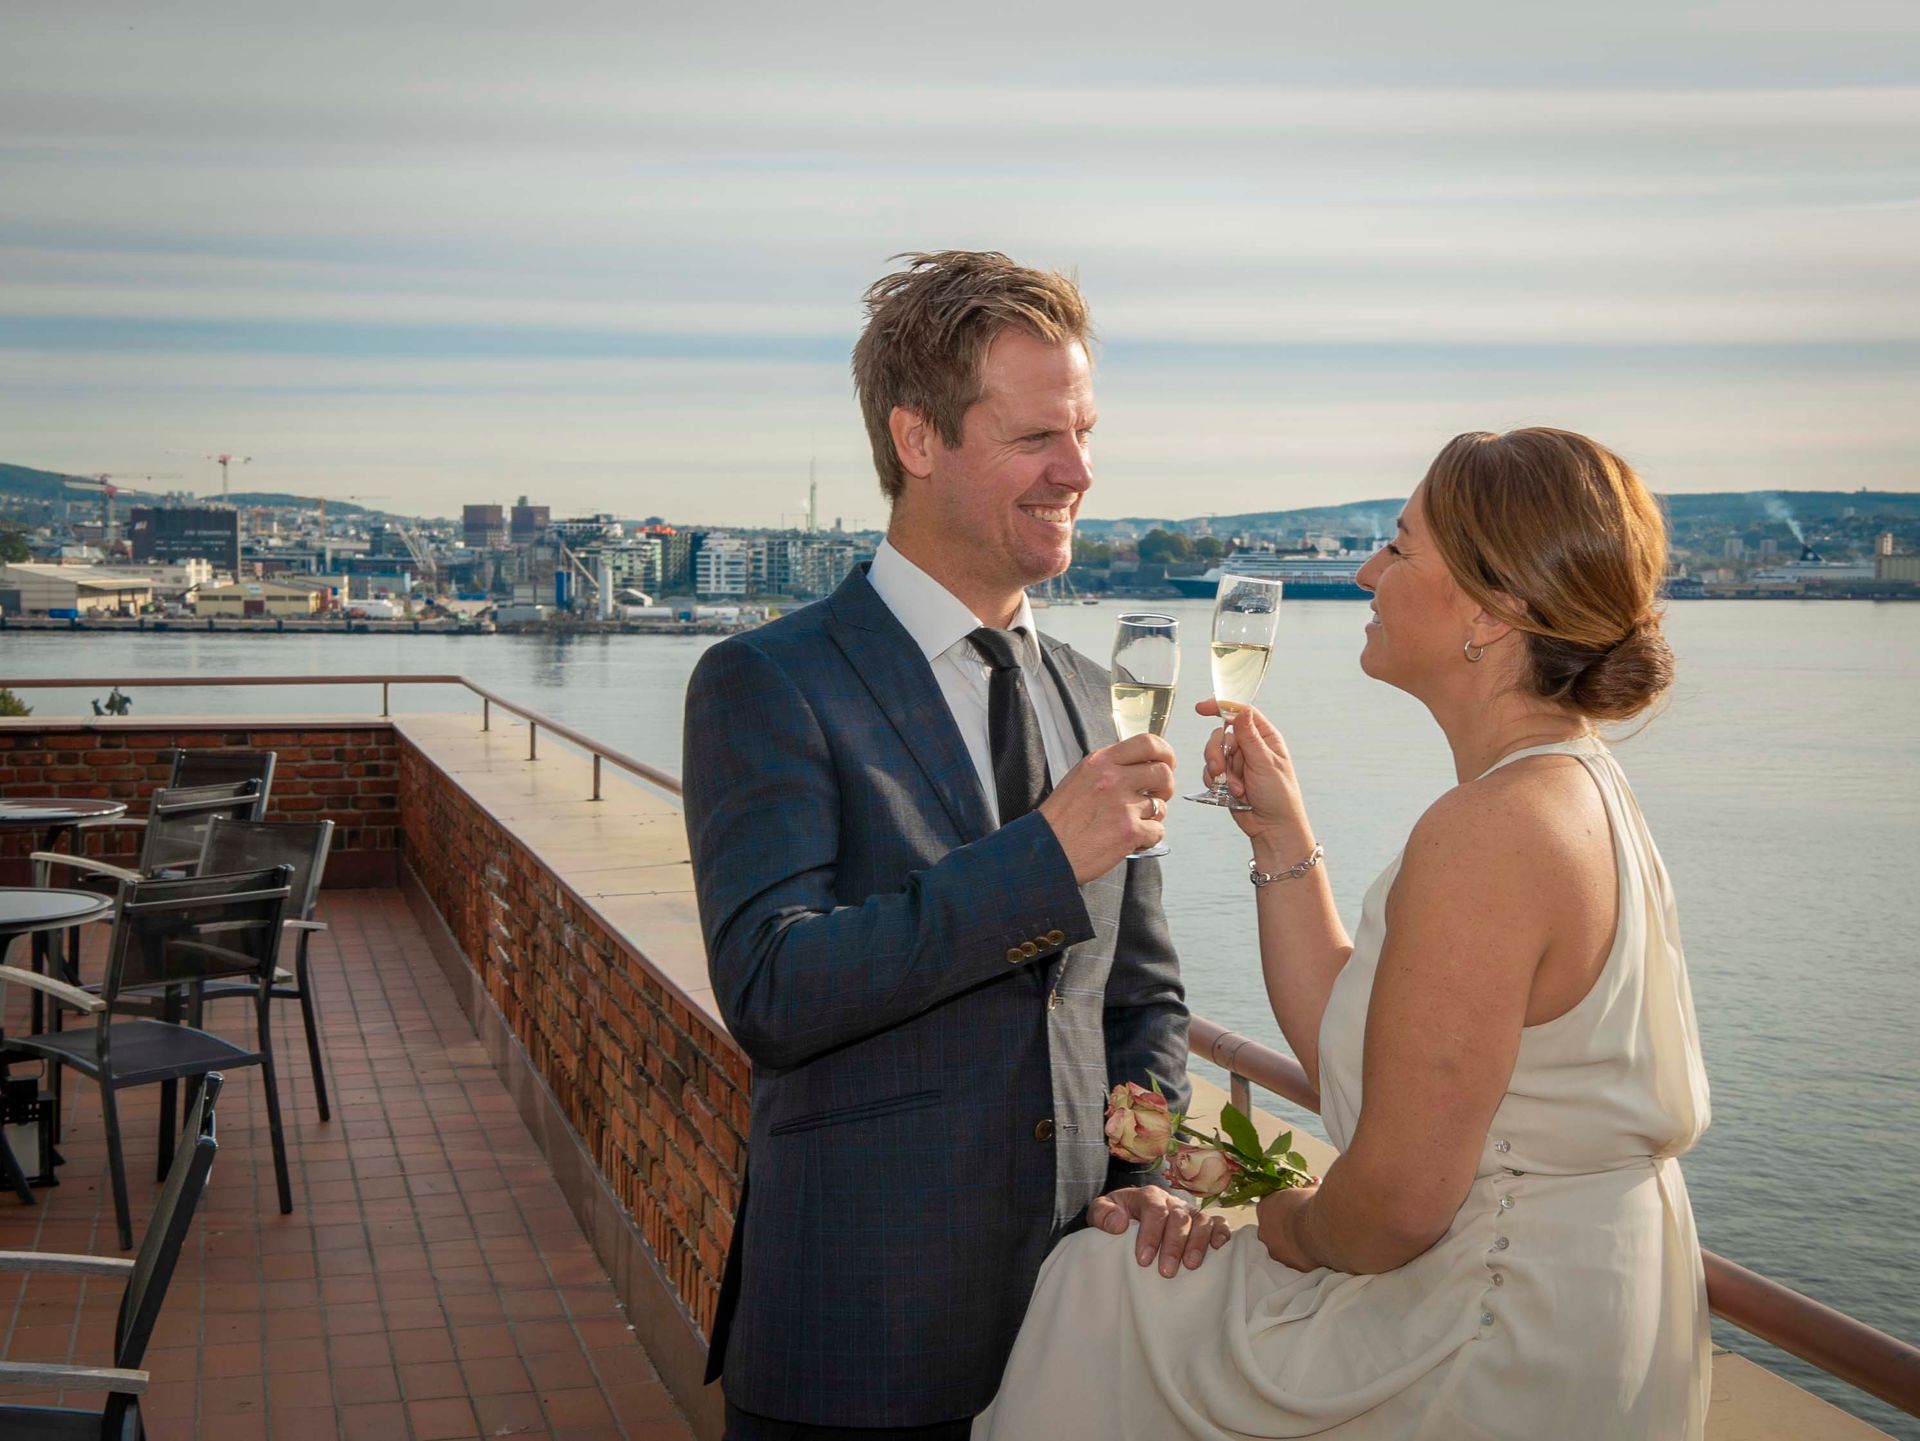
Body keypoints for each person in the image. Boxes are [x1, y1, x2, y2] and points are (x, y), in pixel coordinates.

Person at [976, 427, 1713, 1440]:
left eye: (1400, 547)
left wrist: (1277, 1222)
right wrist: (1282, 837)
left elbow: (1396, 1206)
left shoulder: (1492, 830)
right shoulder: (1575, 790)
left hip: (1494, 1330)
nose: (1367, 571)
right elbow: (1359, 1057)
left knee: (1098, 1291)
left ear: (1491, 611)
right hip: (1588, 1307)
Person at [683, 251, 1230, 1441]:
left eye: (1084, 432)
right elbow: (771, 988)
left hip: (1079, 1328)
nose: (1079, 470)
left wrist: (1138, 1174)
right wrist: (1044, 858)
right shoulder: (766, 680)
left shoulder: (1090, 691)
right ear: (917, 439)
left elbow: (1140, 994)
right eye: (1038, 437)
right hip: (860, 1343)